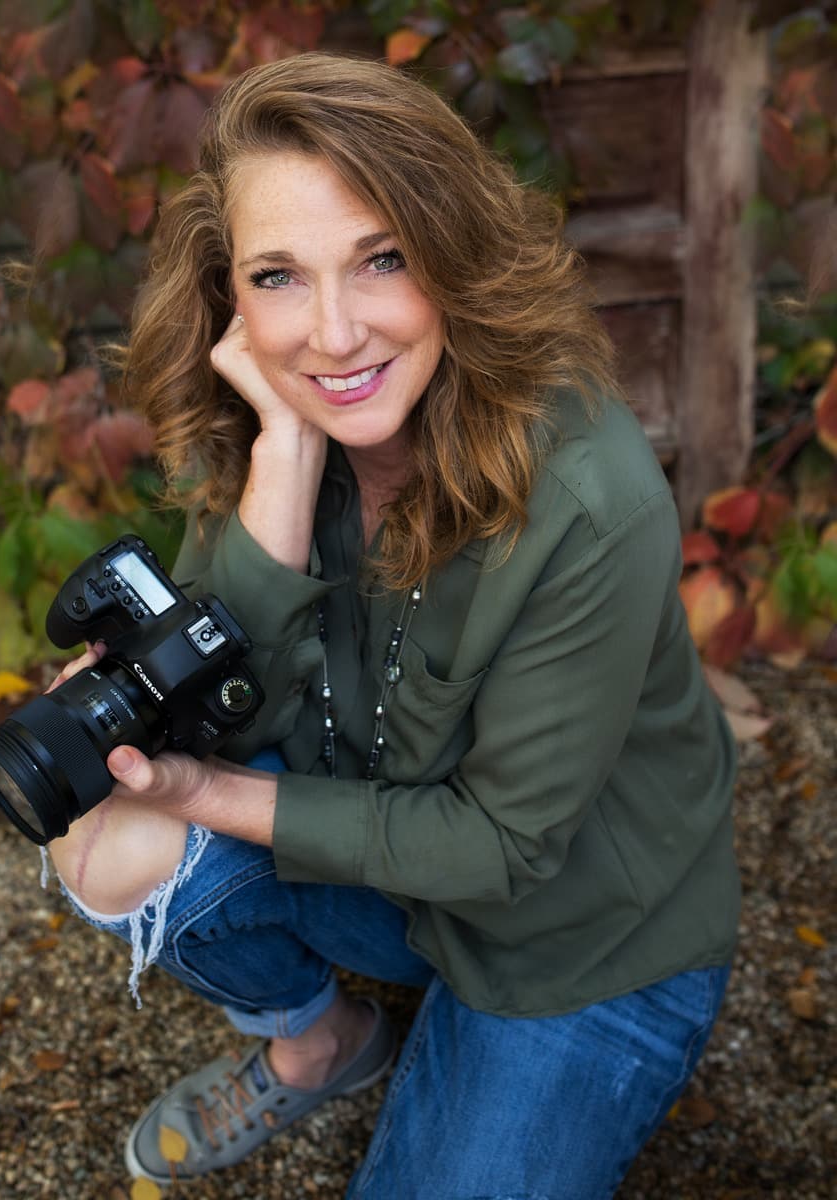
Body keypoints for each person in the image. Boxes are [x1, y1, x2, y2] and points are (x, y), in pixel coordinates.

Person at [45, 52, 740, 1198]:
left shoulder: (590, 497)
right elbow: (230, 711)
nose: (330, 334)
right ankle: (320, 1043)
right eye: (277, 276)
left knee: (174, 809)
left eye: (382, 259)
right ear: (228, 292)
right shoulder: (272, 421)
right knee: (104, 839)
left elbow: (503, 849)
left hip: (574, 942)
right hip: (391, 881)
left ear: (454, 255)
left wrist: (206, 797)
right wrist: (282, 459)